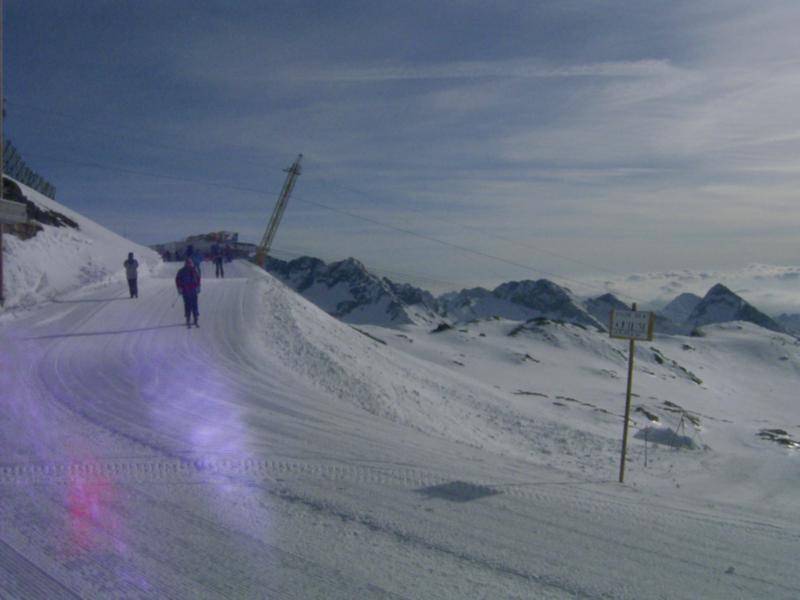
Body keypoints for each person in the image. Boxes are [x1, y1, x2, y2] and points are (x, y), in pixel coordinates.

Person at [175, 258, 201, 327]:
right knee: (187, 304)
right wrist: (179, 288)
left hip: (193, 290)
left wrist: (198, 286)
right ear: (185, 264)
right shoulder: (181, 271)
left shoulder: (194, 270)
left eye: (190, 263)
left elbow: (198, 279)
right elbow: (177, 280)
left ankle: (195, 317)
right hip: (185, 290)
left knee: (194, 304)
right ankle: (188, 318)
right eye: (188, 263)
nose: (189, 264)